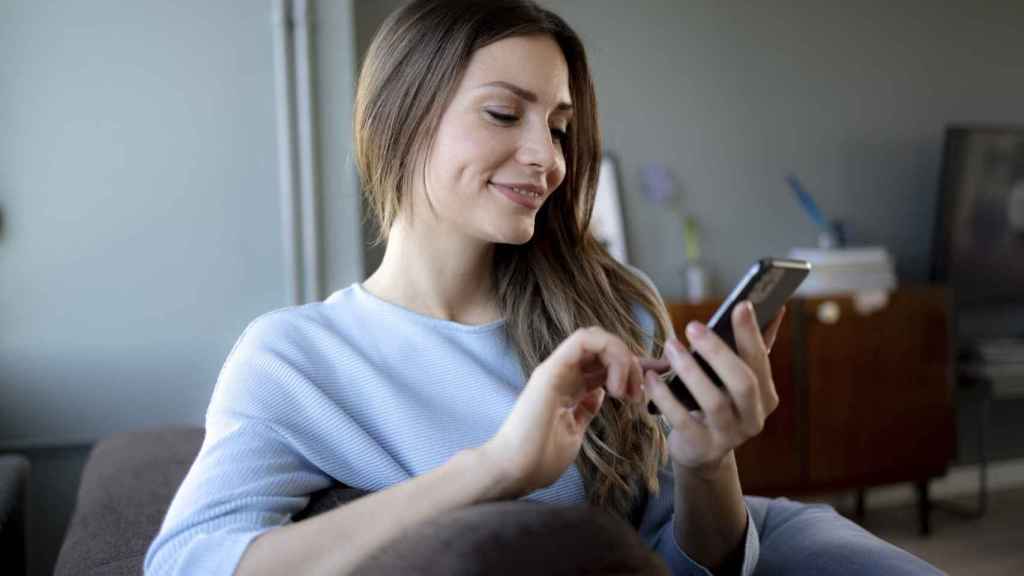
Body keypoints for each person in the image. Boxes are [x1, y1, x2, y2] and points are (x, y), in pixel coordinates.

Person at [145, 1, 943, 574]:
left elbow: (676, 563)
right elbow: (187, 562)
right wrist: (495, 467)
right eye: (503, 113)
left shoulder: (609, 309)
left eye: (559, 126)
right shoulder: (297, 357)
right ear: (398, 117)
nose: (549, 159)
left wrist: (706, 463)